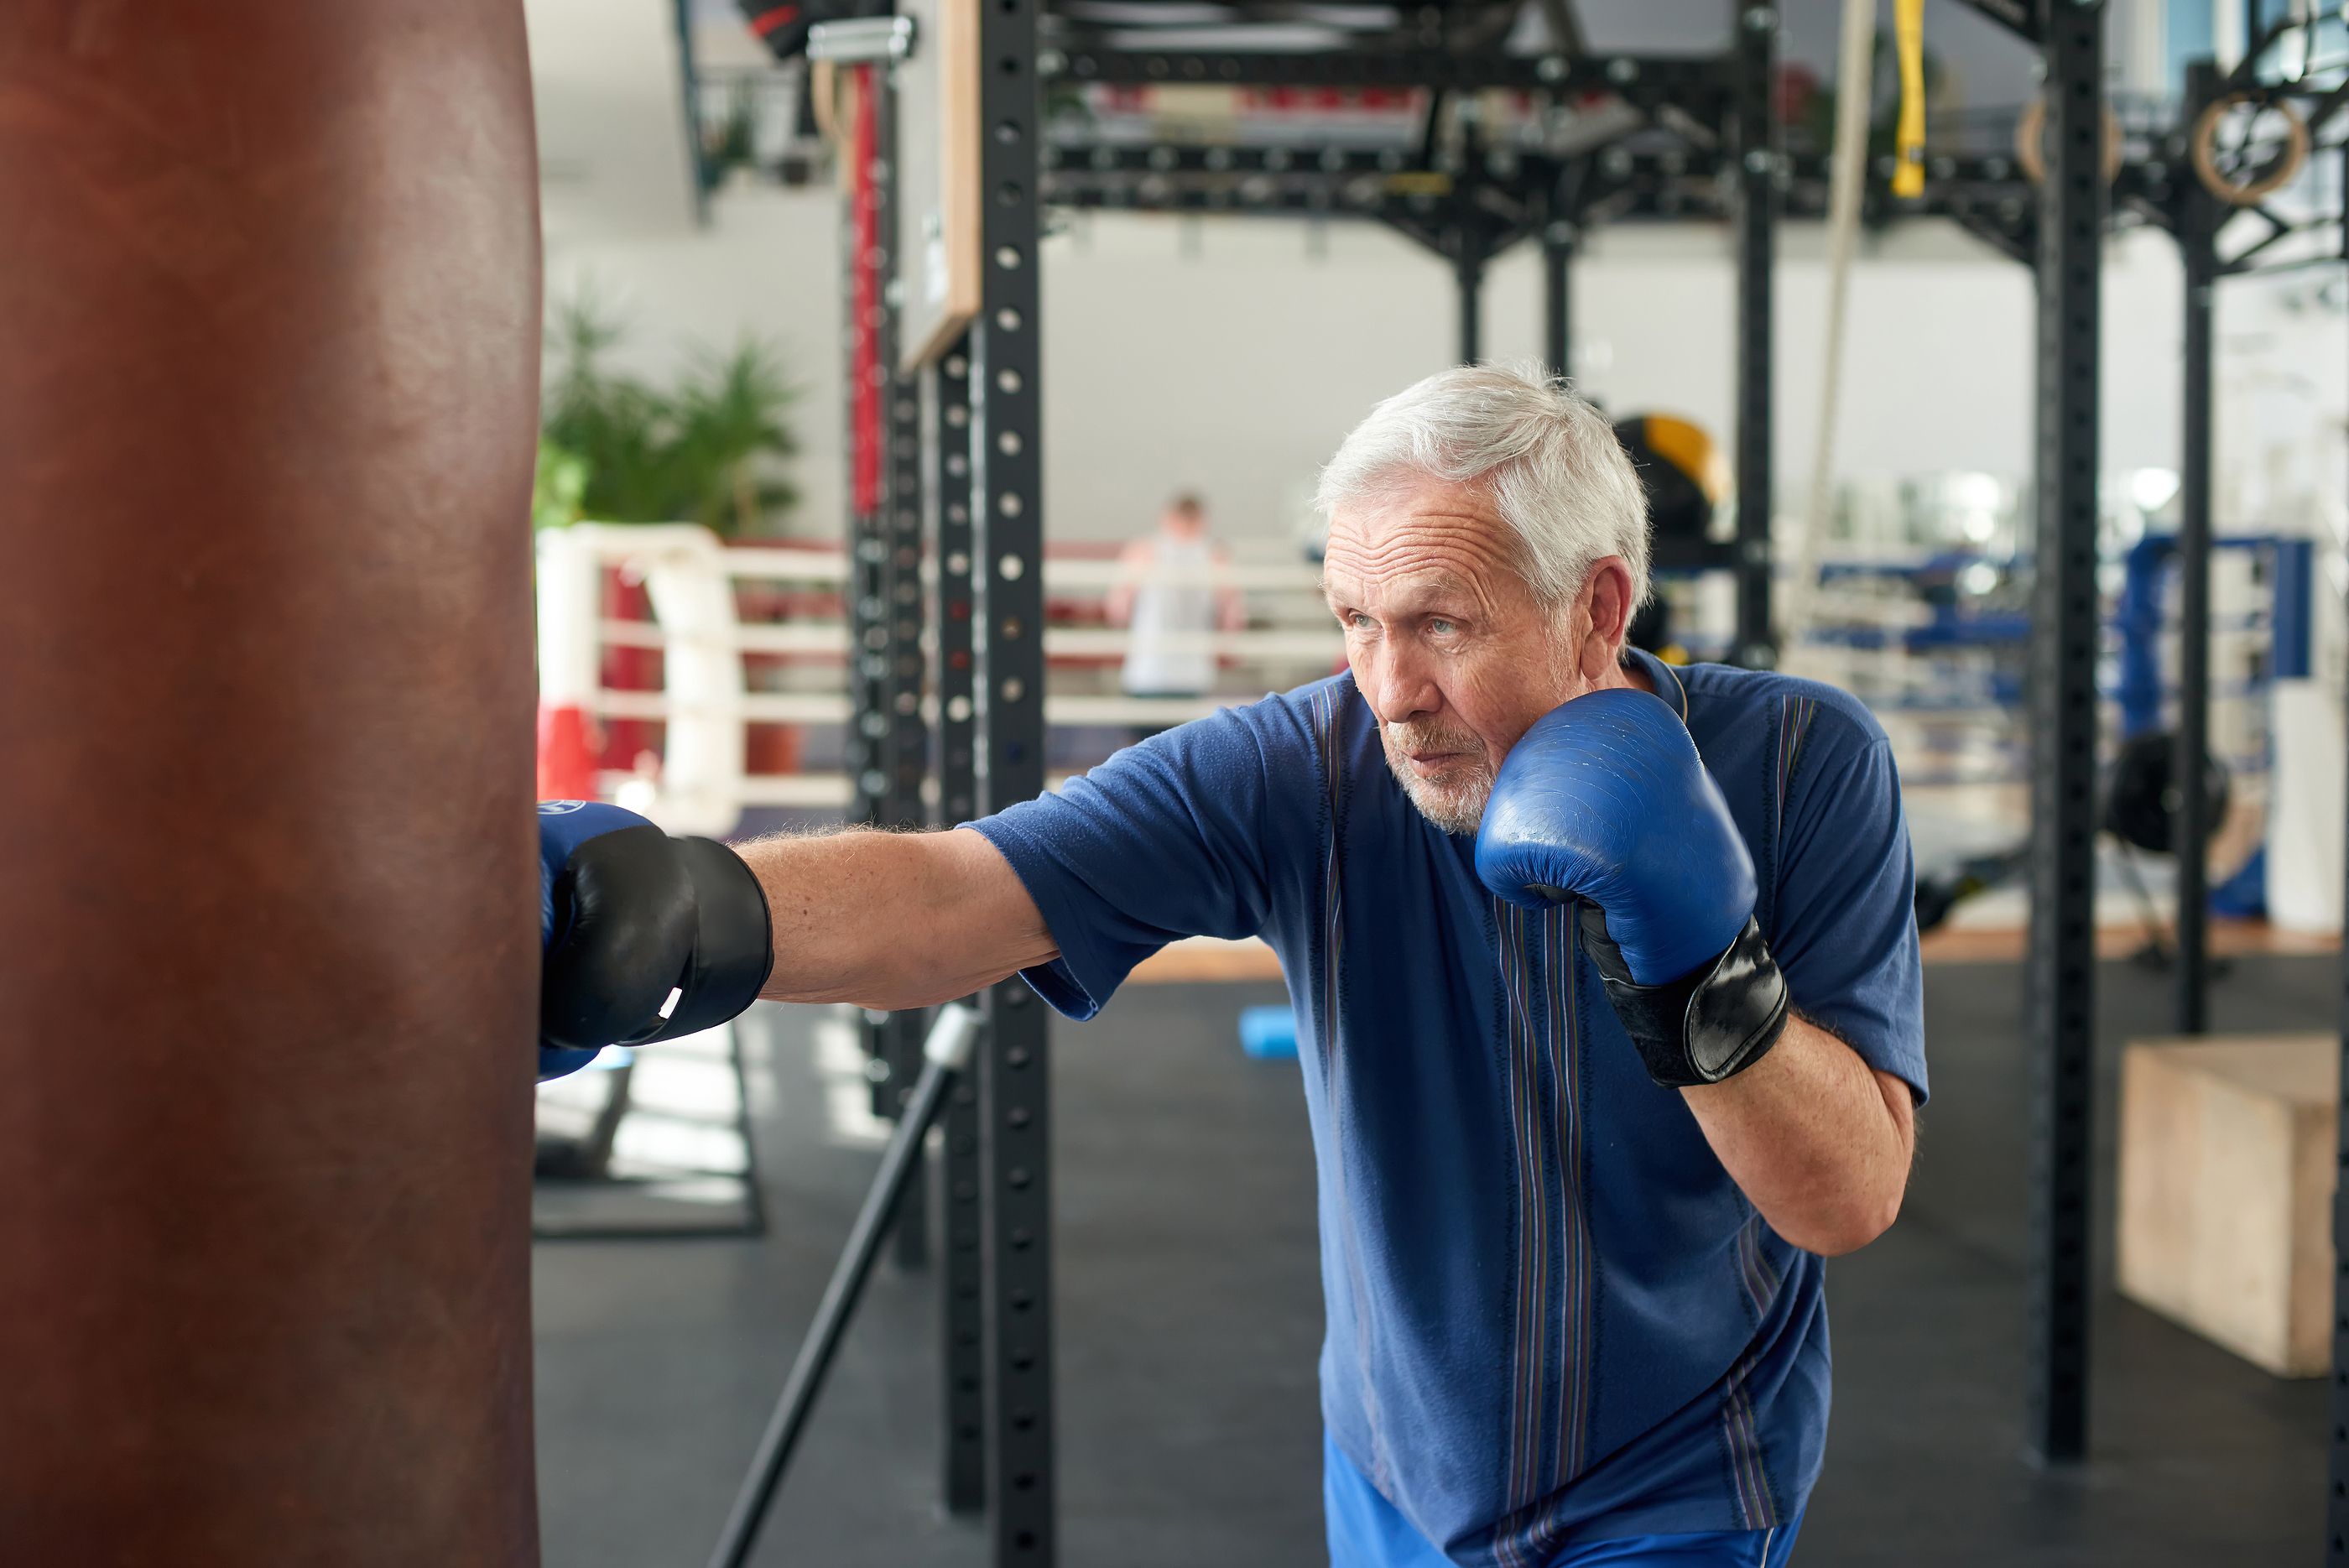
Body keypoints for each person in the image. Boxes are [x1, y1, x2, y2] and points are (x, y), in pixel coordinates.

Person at [539, 363, 1925, 1567]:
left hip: (1675, 1480)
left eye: (1441, 622)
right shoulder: (1306, 765)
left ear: (1597, 606)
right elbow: (965, 888)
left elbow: (1848, 1192)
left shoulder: (1803, 766)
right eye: (1355, 621)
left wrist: (1696, 961)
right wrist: (682, 904)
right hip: (1396, 1470)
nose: (1392, 687)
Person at [1104, 491, 1245, 740]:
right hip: (1189, 673)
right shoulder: (1215, 555)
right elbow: (1234, 619)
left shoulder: (1144, 550)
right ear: (1202, 520)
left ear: (1167, 517)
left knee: (1142, 756)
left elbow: (1117, 610)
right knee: (1185, 757)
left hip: (1149, 671)